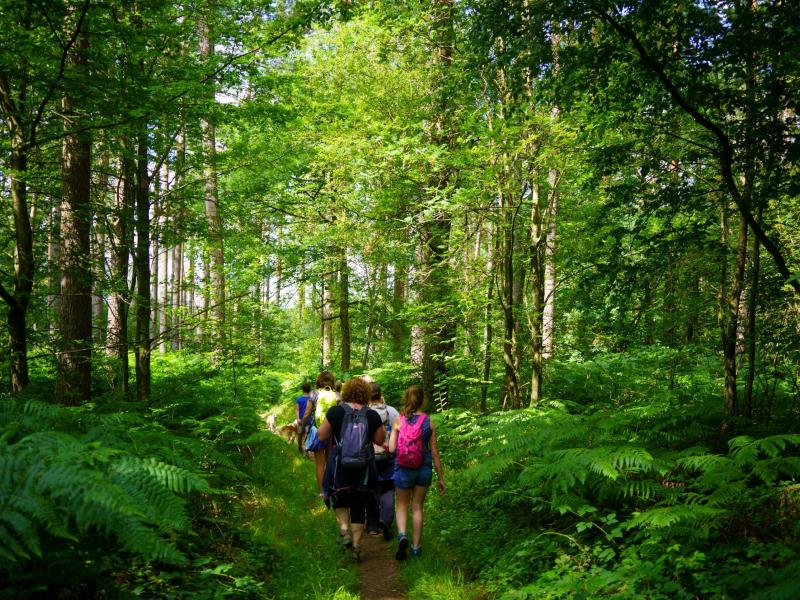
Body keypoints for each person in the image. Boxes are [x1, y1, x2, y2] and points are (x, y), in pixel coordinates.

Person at [317, 377, 385, 562]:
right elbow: (380, 440)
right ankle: (356, 546)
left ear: (346, 392)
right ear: (366, 394)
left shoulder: (336, 412)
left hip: (340, 465)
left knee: (339, 497)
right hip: (363, 468)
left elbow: (321, 435)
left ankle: (344, 529)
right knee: (358, 504)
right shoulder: (371, 415)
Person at [389, 385, 445, 560]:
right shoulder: (429, 422)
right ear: (423, 400)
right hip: (423, 468)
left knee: (402, 505)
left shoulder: (398, 420)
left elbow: (391, 449)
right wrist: (441, 478)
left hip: (403, 469)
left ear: (406, 398)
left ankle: (402, 535)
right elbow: (435, 453)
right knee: (417, 507)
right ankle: (416, 548)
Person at [366, 381, 399, 540]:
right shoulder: (391, 412)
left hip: (369, 457)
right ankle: (386, 521)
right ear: (381, 395)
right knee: (387, 489)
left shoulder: (363, 412)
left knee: (370, 489)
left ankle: (372, 526)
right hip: (388, 457)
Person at [302, 371, 340, 496]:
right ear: (332, 381)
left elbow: (307, 413)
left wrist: (303, 427)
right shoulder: (336, 395)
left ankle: (322, 492)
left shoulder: (314, 393)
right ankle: (332, 488)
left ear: (319, 381)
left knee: (319, 463)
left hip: (318, 430)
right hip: (332, 431)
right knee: (331, 461)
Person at [294, 383, 312, 453]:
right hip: (309, 420)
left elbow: (297, 409)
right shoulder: (311, 400)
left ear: (302, 390)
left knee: (300, 434)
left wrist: (298, 418)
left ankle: (300, 447)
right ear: (310, 390)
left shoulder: (299, 399)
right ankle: (306, 450)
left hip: (300, 420)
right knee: (308, 435)